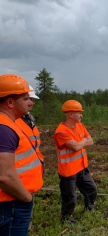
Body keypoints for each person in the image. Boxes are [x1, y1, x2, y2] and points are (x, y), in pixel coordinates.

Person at [0, 74, 43, 235]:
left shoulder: (10, 123)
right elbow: (4, 176)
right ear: (10, 102)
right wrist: (26, 198)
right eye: (25, 99)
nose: (30, 102)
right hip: (10, 202)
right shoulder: (4, 128)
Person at [53, 100, 97, 223]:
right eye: (79, 113)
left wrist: (80, 142)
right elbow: (76, 147)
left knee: (91, 190)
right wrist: (83, 140)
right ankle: (67, 219)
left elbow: (91, 141)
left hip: (82, 167)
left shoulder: (80, 126)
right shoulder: (61, 131)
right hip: (68, 171)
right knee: (70, 198)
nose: (81, 115)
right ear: (70, 114)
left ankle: (89, 209)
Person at [15, 85, 44, 231]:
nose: (31, 102)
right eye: (27, 99)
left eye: (32, 99)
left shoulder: (28, 118)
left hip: (28, 178)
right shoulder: (10, 121)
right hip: (14, 183)